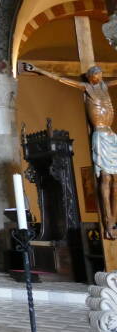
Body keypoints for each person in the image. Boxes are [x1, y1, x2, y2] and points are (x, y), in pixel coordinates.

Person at [23, 62, 117, 238]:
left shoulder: (105, 86)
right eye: (95, 73)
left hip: (111, 135)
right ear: (89, 76)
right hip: (100, 135)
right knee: (105, 178)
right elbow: (60, 78)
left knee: (115, 182)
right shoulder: (86, 87)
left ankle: (113, 220)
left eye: (100, 73)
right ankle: (108, 221)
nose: (99, 75)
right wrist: (37, 69)